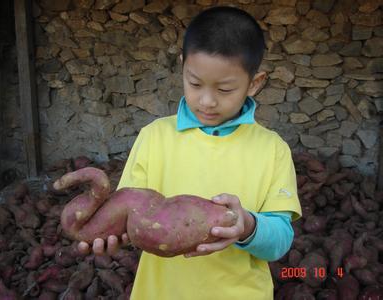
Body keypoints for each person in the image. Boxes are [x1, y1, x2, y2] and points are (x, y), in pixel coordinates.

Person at [79, 6, 302, 300]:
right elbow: (126, 213)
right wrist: (109, 234)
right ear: (183, 67)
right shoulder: (154, 138)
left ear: (254, 84)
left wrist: (246, 226)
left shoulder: (272, 150)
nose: (207, 101)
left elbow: (280, 242)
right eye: (195, 84)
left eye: (224, 90)